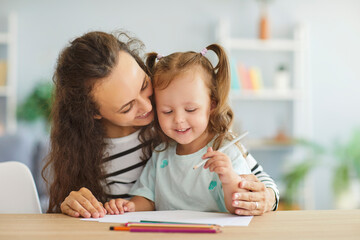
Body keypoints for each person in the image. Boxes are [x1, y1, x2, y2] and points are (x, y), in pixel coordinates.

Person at [43, 31, 279, 218]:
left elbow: (261, 181)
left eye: (144, 85)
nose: (148, 108)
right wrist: (73, 205)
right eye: (127, 107)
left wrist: (265, 197)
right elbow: (126, 207)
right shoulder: (82, 150)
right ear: (93, 113)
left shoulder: (184, 127)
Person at [104, 44, 253, 214]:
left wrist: (229, 179)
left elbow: (241, 206)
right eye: (167, 111)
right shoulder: (161, 154)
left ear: (211, 105)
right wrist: (130, 206)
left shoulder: (227, 153)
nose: (179, 120)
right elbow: (146, 197)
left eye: (190, 110)